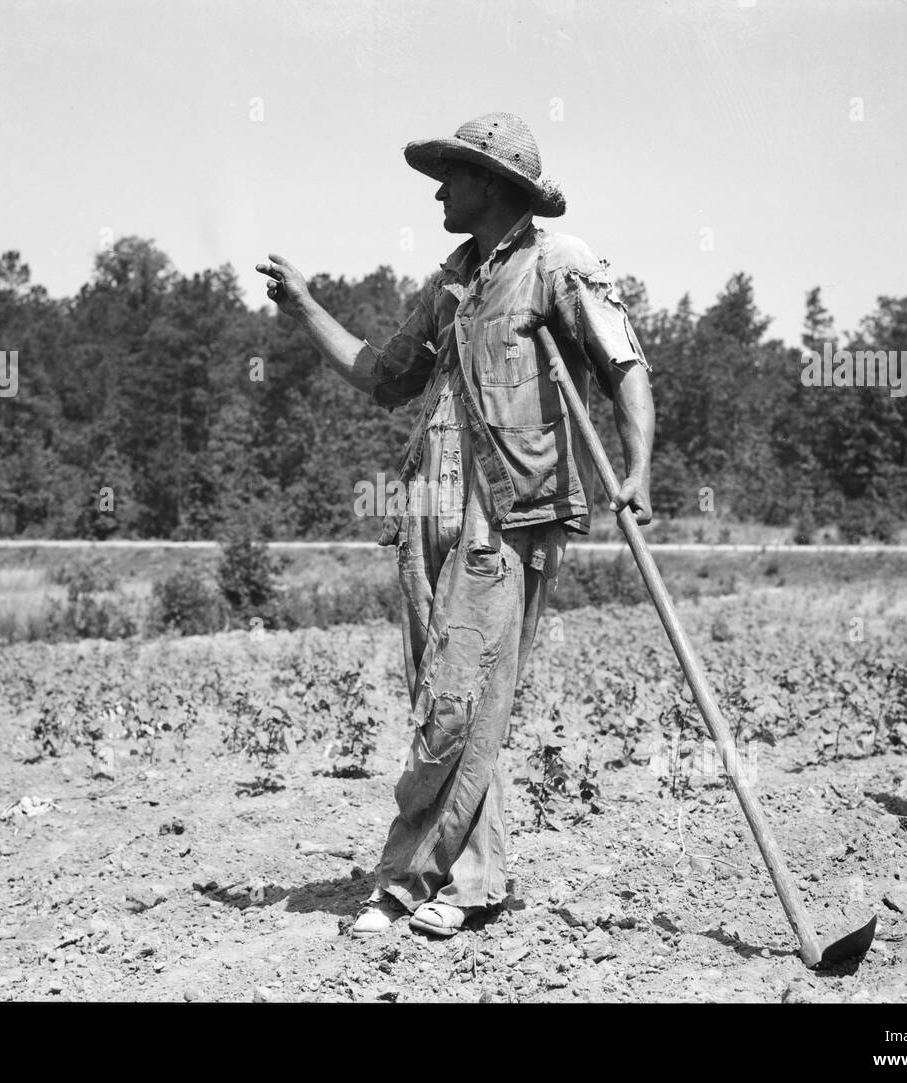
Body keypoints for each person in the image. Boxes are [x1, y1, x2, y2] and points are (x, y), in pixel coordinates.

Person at [256, 111, 655, 937]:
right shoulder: (448, 283)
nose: (438, 192)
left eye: (452, 176)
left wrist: (638, 467)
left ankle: (408, 880)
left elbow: (623, 365)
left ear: (494, 184)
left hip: (507, 513)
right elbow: (382, 374)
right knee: (448, 704)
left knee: (459, 701)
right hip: (425, 511)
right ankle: (469, 880)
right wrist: (305, 310)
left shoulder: (557, 265)